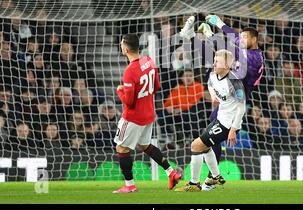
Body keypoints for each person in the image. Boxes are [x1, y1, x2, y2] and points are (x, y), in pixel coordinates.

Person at [179, 14, 264, 190]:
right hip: (227, 99)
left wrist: (219, 24)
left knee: (205, 141)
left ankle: (210, 179)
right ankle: (213, 176)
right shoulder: (247, 56)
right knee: (217, 59)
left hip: (235, 102)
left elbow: (231, 42)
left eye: (245, 37)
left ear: (254, 40)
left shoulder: (254, 57)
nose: (241, 40)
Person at [113, 34, 181, 193]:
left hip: (133, 117)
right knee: (145, 145)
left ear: (126, 49)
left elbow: (129, 102)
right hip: (149, 113)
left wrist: (120, 91)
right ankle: (171, 172)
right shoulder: (148, 61)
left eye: (122, 45)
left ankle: (129, 185)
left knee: (121, 148)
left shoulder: (130, 71)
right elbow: (156, 86)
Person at [175, 50, 246, 192]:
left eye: (217, 61)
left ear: (227, 65)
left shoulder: (235, 83)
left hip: (228, 124)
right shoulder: (214, 75)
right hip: (220, 118)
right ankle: (215, 176)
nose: (214, 64)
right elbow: (210, 84)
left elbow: (241, 107)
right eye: (214, 60)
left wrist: (233, 129)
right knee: (205, 147)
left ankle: (194, 184)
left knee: (196, 146)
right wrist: (213, 96)